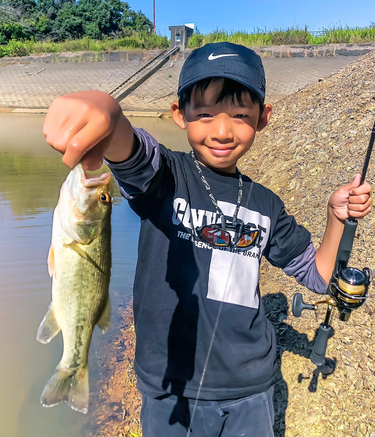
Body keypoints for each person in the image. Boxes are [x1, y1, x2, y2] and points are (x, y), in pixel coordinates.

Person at [43, 42, 372, 437]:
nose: (222, 130)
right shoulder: (164, 178)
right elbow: (127, 148)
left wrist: (335, 218)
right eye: (204, 114)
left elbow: (318, 277)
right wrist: (105, 111)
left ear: (262, 118)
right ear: (179, 115)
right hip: (169, 384)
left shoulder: (266, 205)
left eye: (239, 115)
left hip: (251, 388)